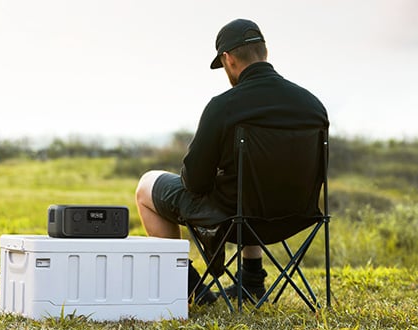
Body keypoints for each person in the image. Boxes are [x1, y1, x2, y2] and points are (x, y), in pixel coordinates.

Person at [134, 19, 329, 305]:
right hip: (296, 216)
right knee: (249, 185)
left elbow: (195, 183)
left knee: (145, 186)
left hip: (234, 221)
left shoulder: (224, 106)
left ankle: (191, 287)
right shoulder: (313, 106)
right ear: (265, 52)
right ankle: (251, 281)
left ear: (228, 59)